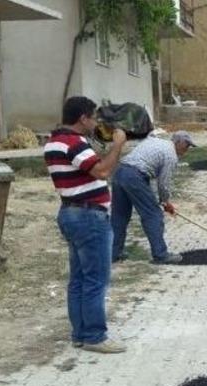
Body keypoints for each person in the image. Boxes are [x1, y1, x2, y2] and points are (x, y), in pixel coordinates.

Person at [45, 96, 127, 354]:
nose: (95, 122)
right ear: (83, 118)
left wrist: (102, 151)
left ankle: (80, 334)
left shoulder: (54, 142)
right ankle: (95, 336)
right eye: (93, 117)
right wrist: (117, 146)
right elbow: (102, 171)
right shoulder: (75, 143)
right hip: (90, 216)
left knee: (79, 278)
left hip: (70, 213)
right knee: (95, 279)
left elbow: (90, 166)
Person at [110, 131, 196, 264]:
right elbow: (163, 184)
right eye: (186, 145)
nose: (187, 149)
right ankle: (161, 255)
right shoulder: (170, 155)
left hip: (120, 172)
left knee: (119, 216)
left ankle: (113, 254)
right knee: (153, 215)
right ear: (178, 142)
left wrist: (162, 200)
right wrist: (165, 202)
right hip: (134, 176)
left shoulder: (156, 141)